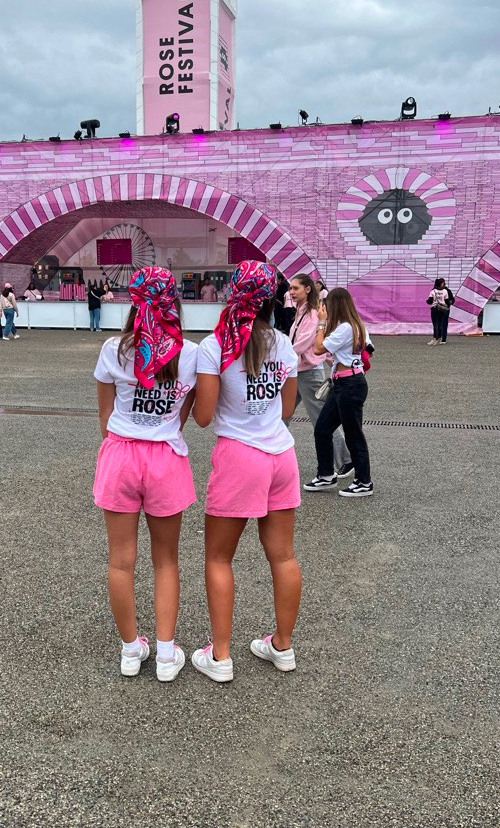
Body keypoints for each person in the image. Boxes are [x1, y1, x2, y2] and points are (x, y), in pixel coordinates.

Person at [192, 260, 302, 683]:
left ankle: (220, 656)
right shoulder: (282, 344)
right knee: (284, 555)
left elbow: (203, 416)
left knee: (219, 557)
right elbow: (288, 409)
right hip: (281, 454)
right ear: (273, 298)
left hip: (240, 456)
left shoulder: (215, 345)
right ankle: (282, 645)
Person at [93, 267, 198, 682]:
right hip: (165, 457)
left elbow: (105, 416)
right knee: (166, 559)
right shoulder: (189, 354)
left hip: (120, 455)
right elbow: (184, 415)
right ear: (174, 301)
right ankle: (168, 653)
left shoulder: (114, 349)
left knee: (121, 562)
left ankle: (130, 649)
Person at [304, 288, 374, 497]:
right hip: (347, 382)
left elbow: (317, 348)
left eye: (327, 304)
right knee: (323, 429)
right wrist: (350, 358)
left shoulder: (344, 328)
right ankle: (326, 475)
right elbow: (370, 349)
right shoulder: (358, 325)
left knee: (354, 435)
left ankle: (364, 481)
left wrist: (321, 323)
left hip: (349, 385)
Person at [286, 274, 353, 478]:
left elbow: (306, 342)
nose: (292, 292)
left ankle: (346, 461)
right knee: (281, 414)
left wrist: (282, 355)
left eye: (296, 288)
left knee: (322, 420)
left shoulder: (313, 313)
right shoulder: (300, 311)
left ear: (308, 289)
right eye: (290, 288)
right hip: (295, 371)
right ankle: (271, 452)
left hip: (308, 374)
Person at [426, 278, 455, 345]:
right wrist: (448, 306)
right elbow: (449, 300)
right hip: (443, 308)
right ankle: (442, 339)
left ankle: (435, 339)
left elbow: (429, 301)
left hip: (435, 308)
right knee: (442, 324)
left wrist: (427, 301)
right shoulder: (446, 291)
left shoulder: (433, 291)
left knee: (435, 324)